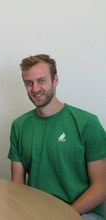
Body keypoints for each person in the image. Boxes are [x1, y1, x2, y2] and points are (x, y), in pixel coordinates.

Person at [8, 54, 106, 219]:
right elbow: (17, 183)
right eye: (28, 83)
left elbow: (101, 186)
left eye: (41, 80)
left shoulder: (87, 123)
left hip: (82, 212)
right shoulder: (19, 125)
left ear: (55, 80)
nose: (35, 89)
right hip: (37, 211)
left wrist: (63, 215)